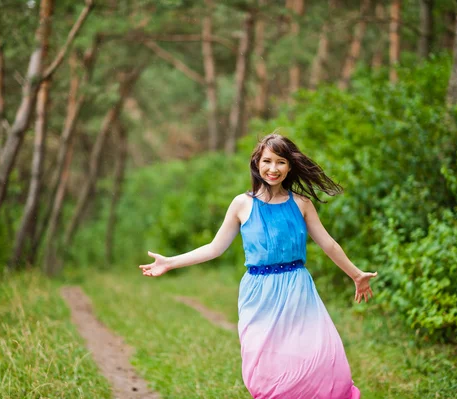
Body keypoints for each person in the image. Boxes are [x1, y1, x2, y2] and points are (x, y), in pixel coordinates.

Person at [140, 133, 377, 399]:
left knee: (314, 357)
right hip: (258, 292)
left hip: (297, 289)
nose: (273, 169)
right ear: (257, 162)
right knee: (264, 366)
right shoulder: (242, 204)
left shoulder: (302, 204)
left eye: (280, 162)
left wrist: (356, 275)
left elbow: (329, 245)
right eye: (267, 161)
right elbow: (214, 248)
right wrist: (170, 262)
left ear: (289, 166)